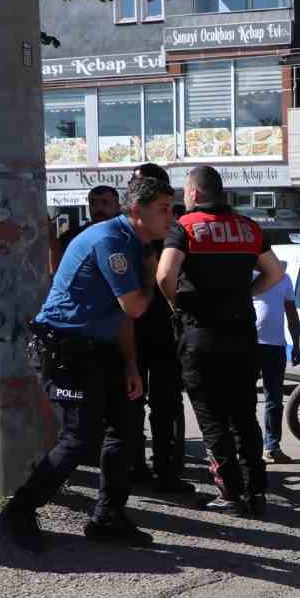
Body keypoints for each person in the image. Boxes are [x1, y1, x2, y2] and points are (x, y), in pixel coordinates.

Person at [0, 175, 173, 551]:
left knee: (124, 430)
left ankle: (108, 516)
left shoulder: (133, 240)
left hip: (101, 347)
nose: (170, 217)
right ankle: (19, 509)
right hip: (67, 348)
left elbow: (120, 316)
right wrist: (153, 268)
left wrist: (130, 366)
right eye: (164, 210)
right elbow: (137, 306)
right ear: (138, 211)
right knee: (80, 437)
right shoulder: (114, 242)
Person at [157, 165, 287, 513]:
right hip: (243, 335)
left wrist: (176, 305)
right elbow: (276, 273)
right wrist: (246, 292)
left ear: (195, 194)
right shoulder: (249, 228)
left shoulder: (184, 227)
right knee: (245, 414)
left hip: (201, 334)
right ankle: (256, 491)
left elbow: (165, 274)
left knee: (212, 416)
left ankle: (229, 492)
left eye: (185, 191)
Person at [124, 163, 191, 495]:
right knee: (132, 402)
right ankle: (136, 466)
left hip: (166, 328)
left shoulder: (177, 228)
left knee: (166, 405)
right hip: (132, 327)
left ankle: (167, 469)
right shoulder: (124, 230)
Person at [253, 253, 300, 464]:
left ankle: (271, 446)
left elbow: (291, 313)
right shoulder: (248, 276)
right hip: (250, 345)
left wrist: (296, 344)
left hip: (276, 347)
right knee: (245, 398)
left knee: (274, 400)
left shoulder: (285, 279)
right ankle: (245, 446)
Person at [54, 185, 120, 261]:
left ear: (117, 207)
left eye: (105, 203)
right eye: (93, 203)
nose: (98, 208)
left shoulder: (127, 234)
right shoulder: (73, 237)